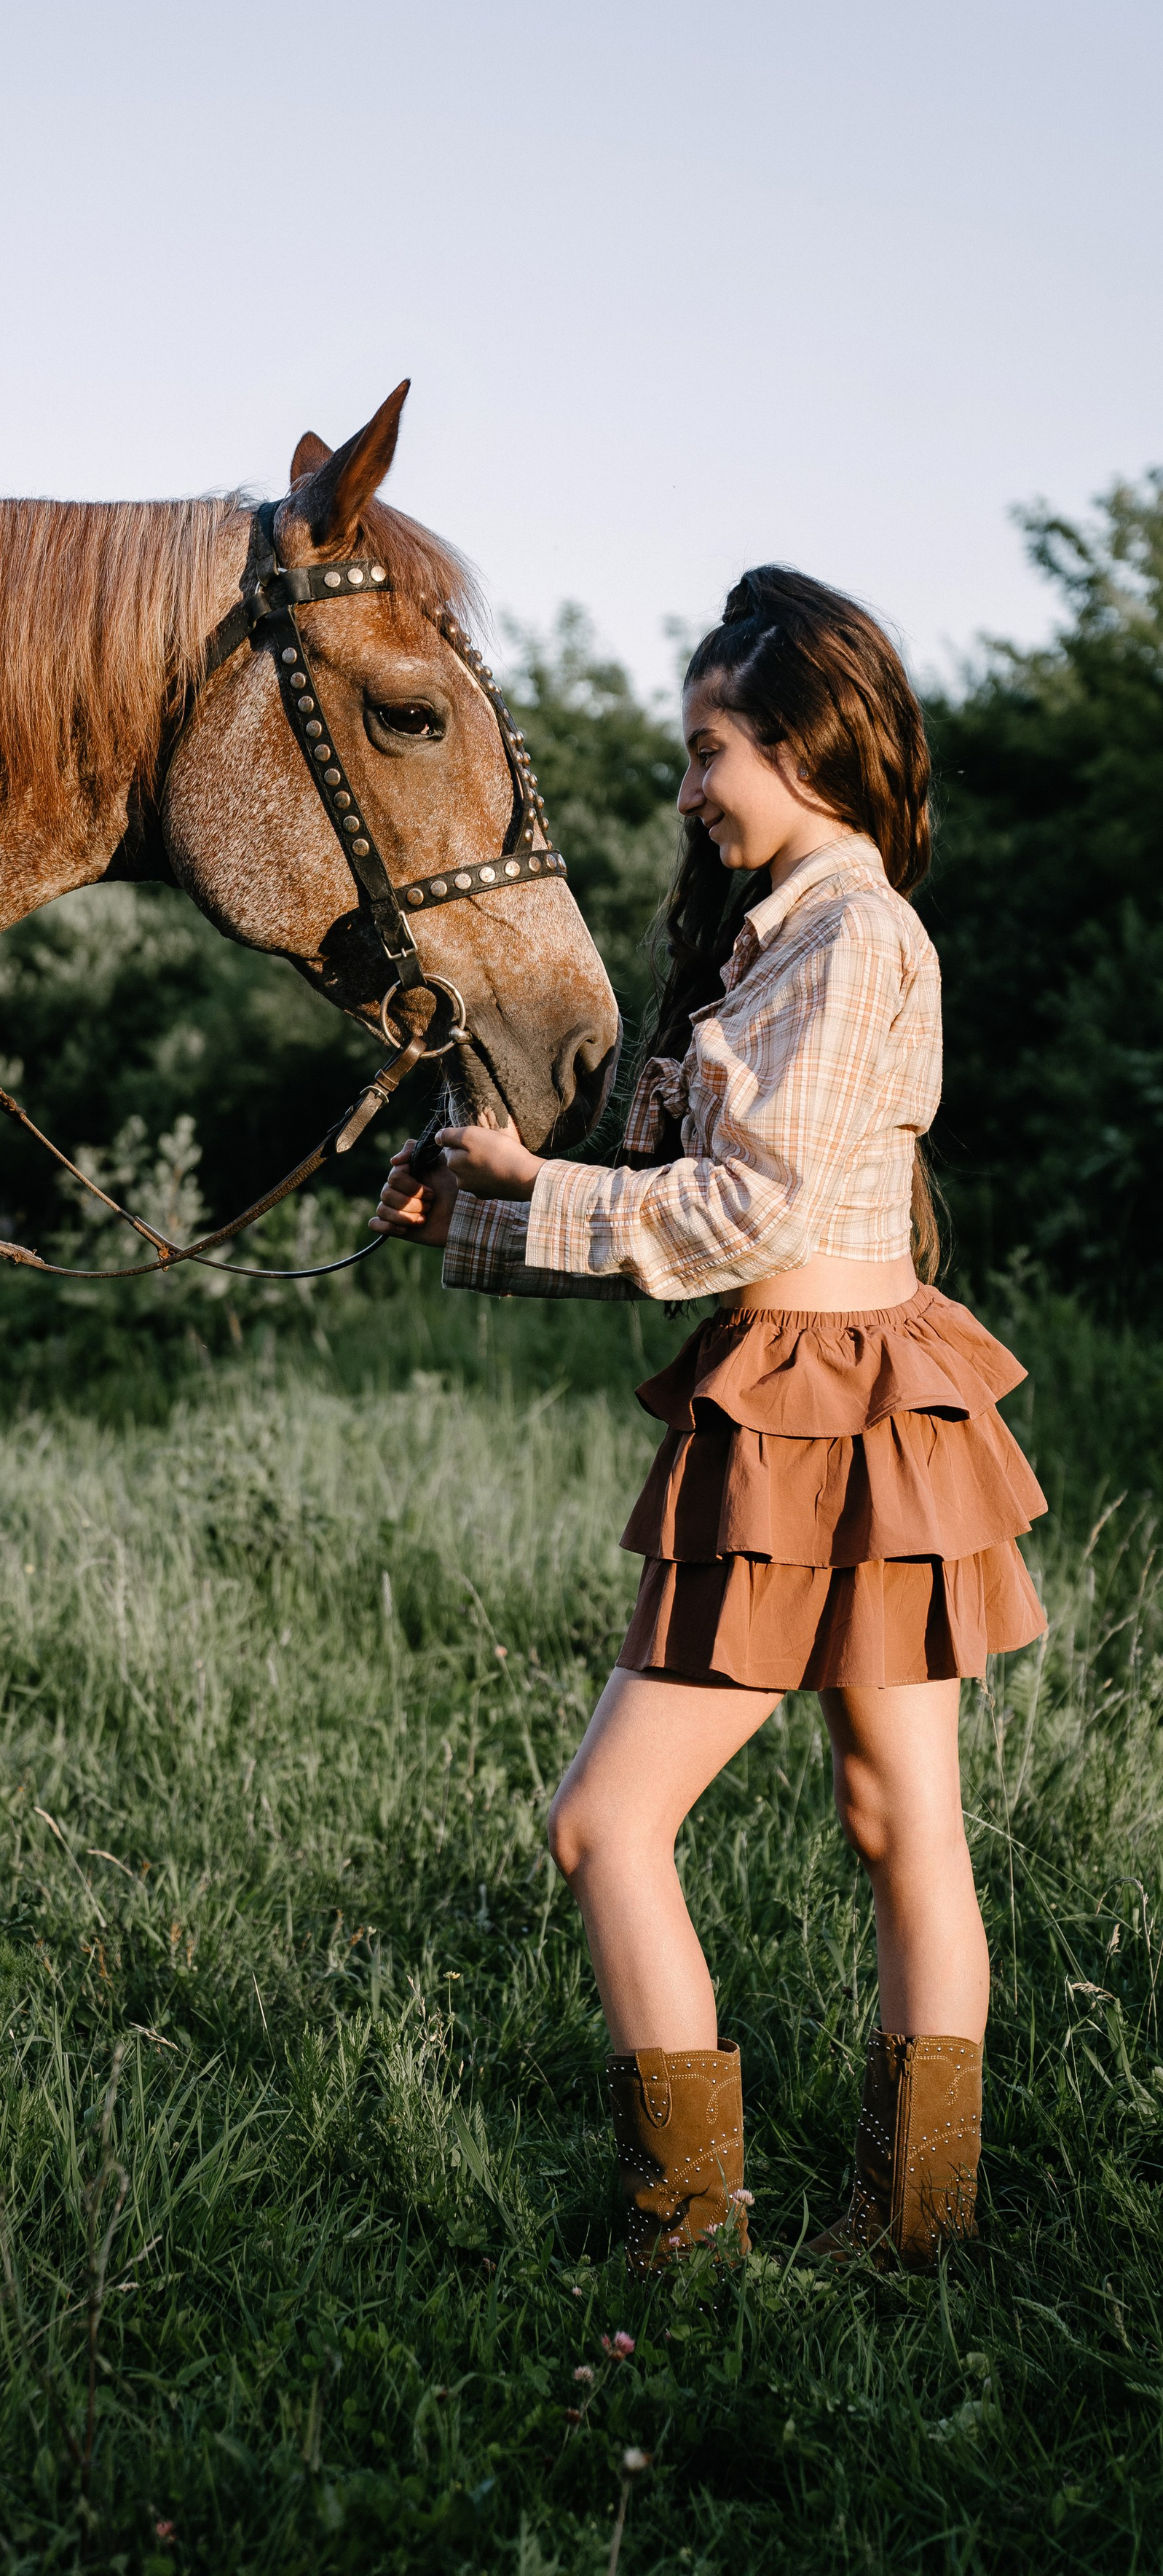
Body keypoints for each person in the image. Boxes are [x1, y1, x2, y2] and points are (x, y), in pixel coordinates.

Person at [373, 568, 1045, 2276]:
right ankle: (911, 2239)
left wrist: (533, 1194)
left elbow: (735, 1220)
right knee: (897, 1826)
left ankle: (694, 2249)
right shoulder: (792, 932)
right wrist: (469, 1208)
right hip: (843, 1398)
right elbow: (691, 1213)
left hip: (831, 1417)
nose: (687, 788)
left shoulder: (848, 934)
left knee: (608, 1823)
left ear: (804, 752)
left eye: (708, 751)